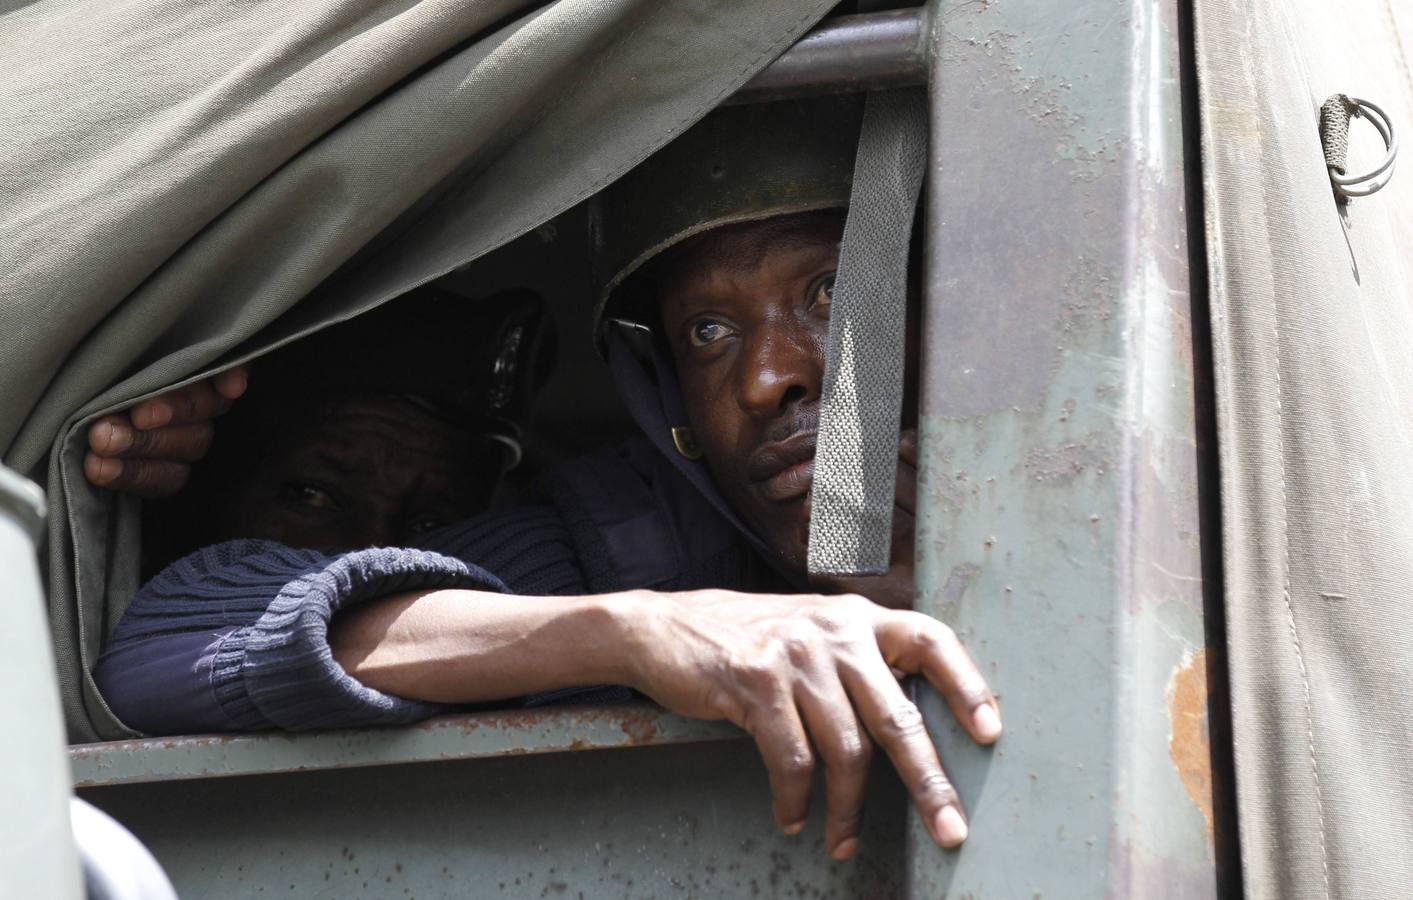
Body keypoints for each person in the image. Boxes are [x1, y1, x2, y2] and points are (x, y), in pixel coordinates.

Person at [89, 96, 999, 861]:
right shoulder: (625, 539)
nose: (767, 379)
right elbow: (170, 640)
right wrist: (638, 629)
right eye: (708, 334)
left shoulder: (1130, 511)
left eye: (834, 292)